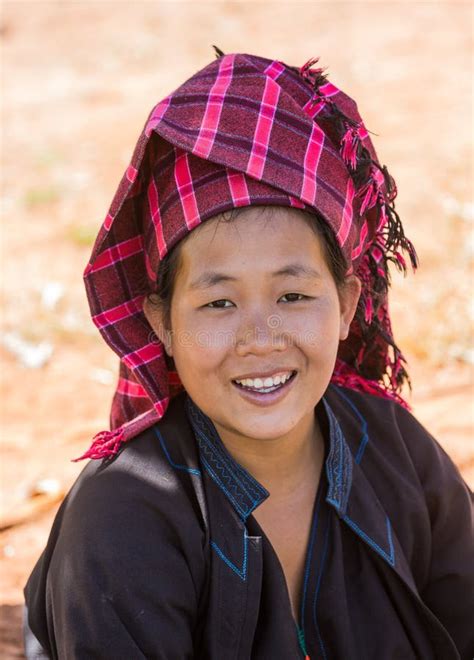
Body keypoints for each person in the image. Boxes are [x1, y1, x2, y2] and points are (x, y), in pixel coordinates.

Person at [23, 50, 473, 659]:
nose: (261, 338)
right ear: (162, 322)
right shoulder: (124, 515)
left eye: (292, 295)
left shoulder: (394, 452)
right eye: (218, 304)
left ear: (345, 304)